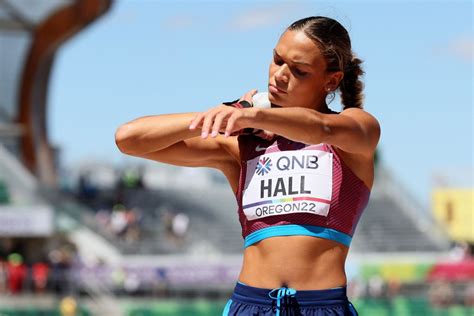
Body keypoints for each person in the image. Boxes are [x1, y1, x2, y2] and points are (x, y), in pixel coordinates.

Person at [115, 16, 380, 316]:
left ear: (331, 80)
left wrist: (256, 116)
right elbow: (129, 138)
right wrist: (231, 112)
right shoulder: (242, 143)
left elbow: (321, 127)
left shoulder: (356, 130)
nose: (280, 75)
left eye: (299, 70)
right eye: (277, 60)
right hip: (249, 305)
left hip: (321, 306)